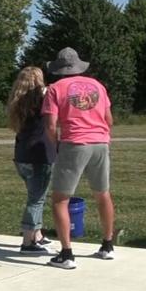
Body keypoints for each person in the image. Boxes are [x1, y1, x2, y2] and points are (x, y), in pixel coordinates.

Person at [41, 47, 116, 269]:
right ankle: (108, 245)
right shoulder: (98, 86)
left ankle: (66, 254)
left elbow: (50, 124)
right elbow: (109, 119)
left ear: (59, 69)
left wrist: (56, 145)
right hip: (101, 143)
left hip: (74, 143)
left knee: (60, 200)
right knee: (102, 194)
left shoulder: (55, 89)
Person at [7, 66, 56, 254]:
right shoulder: (44, 97)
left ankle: (37, 235)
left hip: (21, 156)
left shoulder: (17, 101)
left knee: (36, 197)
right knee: (36, 200)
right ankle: (28, 242)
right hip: (39, 156)